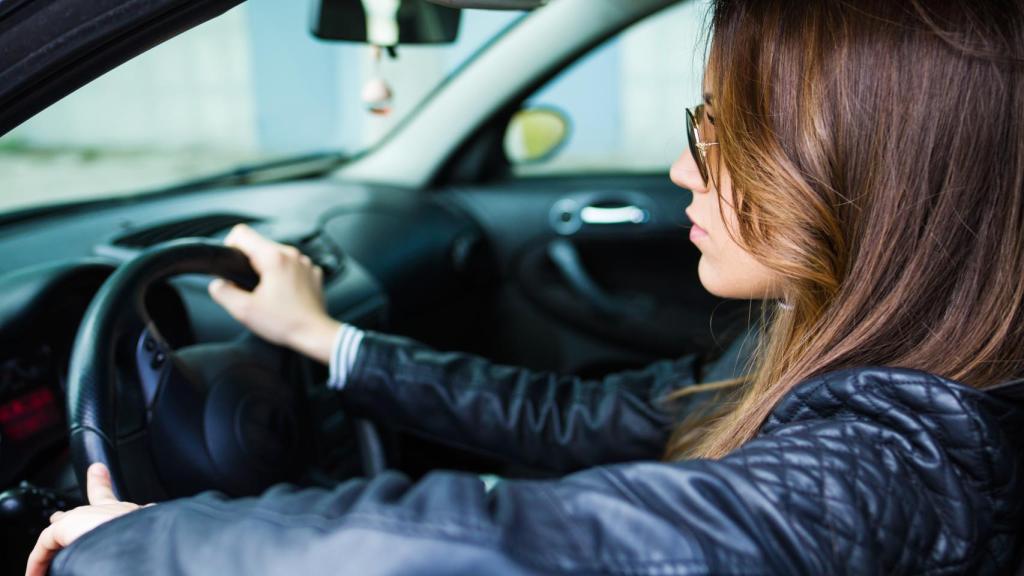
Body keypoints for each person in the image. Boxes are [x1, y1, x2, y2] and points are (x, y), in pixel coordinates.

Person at [26, 0, 1024, 574]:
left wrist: (151, 544)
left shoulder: (919, 459)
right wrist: (328, 340)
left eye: (723, 133)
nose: (683, 167)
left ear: (863, 177)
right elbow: (588, 417)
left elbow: (539, 550)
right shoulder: (826, 342)